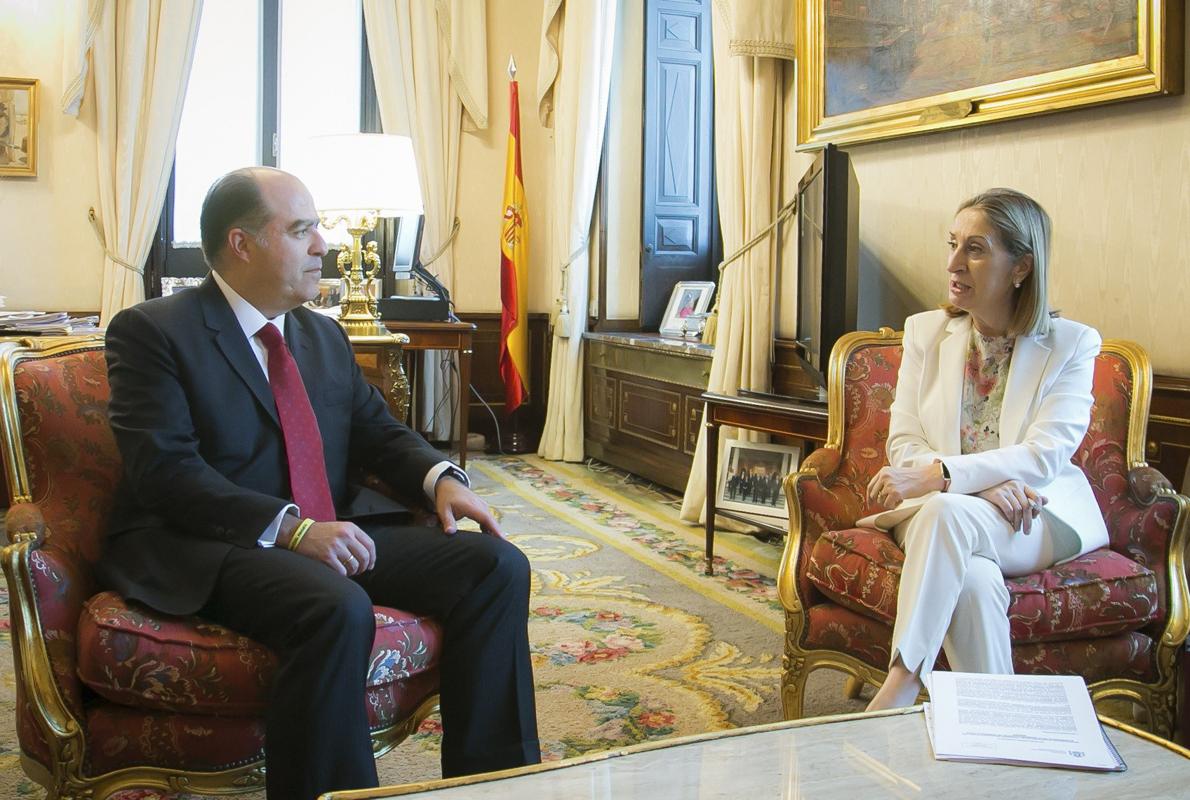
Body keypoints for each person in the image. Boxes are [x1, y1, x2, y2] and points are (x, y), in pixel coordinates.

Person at [101, 167, 541, 799]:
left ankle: (493, 784)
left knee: (496, 566)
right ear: (241, 243)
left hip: (325, 529)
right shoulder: (154, 332)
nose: (322, 247)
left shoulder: (320, 334)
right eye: (302, 230)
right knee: (334, 605)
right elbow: (165, 472)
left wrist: (438, 477)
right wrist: (293, 529)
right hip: (210, 541)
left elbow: (375, 430)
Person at [862, 188, 1108, 711]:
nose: (953, 262)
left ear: (1021, 266)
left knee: (949, 511)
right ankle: (1000, 738)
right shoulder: (926, 333)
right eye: (953, 243)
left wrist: (942, 477)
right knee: (971, 579)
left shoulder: (1073, 345)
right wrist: (981, 482)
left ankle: (904, 679)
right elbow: (904, 439)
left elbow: (1045, 456)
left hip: (1031, 518)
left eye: (975, 249)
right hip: (944, 513)